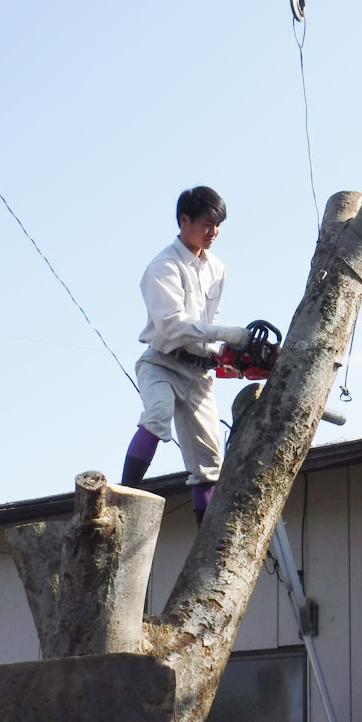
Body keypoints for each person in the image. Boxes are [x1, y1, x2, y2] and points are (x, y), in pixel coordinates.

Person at [121, 186, 250, 524]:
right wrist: (222, 334)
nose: (214, 232)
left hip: (199, 372)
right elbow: (171, 325)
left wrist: (222, 350)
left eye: (218, 225)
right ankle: (123, 497)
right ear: (184, 220)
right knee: (158, 414)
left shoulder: (217, 268)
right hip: (161, 363)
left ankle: (204, 540)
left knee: (209, 461)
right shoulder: (162, 266)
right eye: (208, 224)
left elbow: (211, 320)